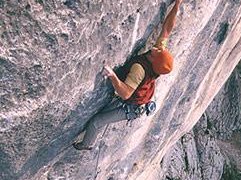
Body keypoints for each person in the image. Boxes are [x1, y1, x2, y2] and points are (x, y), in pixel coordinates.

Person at [73, 0, 183, 150]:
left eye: (158, 52)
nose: (157, 48)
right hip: (138, 99)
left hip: (131, 107)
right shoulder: (157, 58)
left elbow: (125, 94)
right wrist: (177, 5)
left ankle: (86, 145)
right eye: (159, 49)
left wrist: (112, 75)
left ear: (154, 60)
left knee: (96, 122)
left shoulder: (139, 69)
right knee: (99, 118)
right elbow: (167, 30)